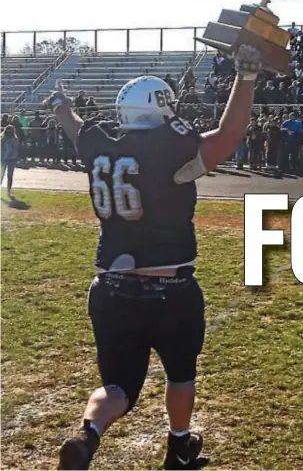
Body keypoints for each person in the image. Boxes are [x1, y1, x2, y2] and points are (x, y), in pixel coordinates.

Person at [51, 44, 262, 470]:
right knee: (180, 372)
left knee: (117, 385)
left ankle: (87, 434)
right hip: (170, 289)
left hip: (109, 287)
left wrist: (62, 107)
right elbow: (229, 134)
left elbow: (75, 127)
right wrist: (247, 78)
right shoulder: (170, 148)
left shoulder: (98, 143)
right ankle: (179, 446)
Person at [1, 125, 20, 198]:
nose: (9, 133)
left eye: (11, 131)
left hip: (12, 159)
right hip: (3, 159)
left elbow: (16, 147)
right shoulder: (2, 138)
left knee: (10, 176)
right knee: (1, 175)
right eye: (8, 131)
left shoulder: (15, 139)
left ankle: (8, 191)